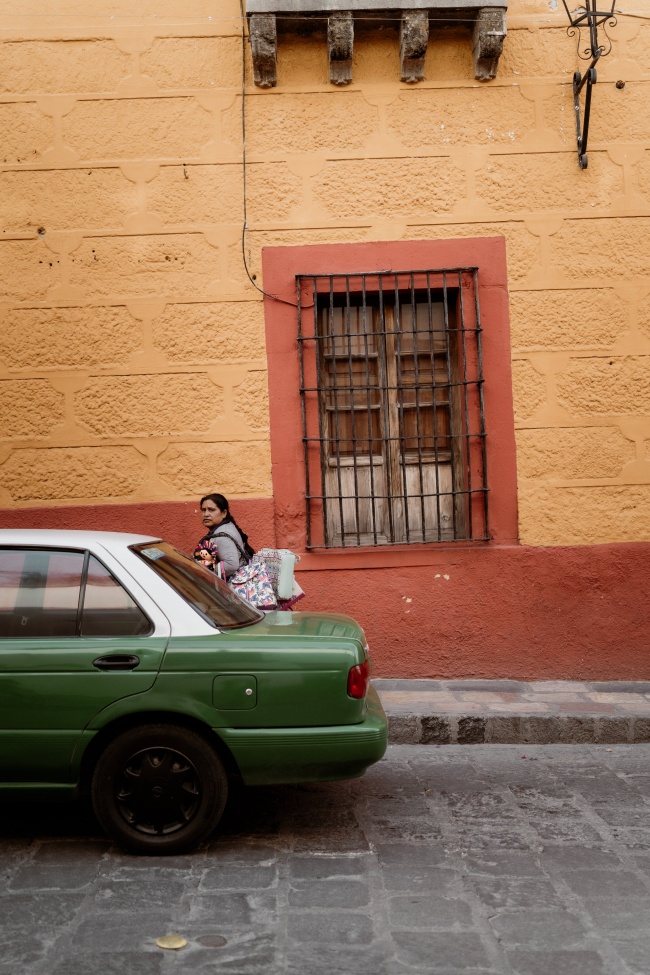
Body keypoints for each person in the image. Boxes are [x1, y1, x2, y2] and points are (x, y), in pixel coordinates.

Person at [194, 493, 254, 579]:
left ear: (224, 513)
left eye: (211, 510)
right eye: (203, 510)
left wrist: (208, 572)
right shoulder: (224, 527)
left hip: (231, 587)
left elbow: (231, 565)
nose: (206, 514)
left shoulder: (222, 536)